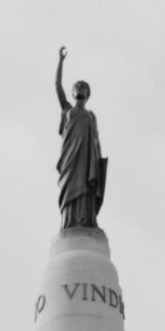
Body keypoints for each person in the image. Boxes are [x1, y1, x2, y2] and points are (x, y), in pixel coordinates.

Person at [55, 48, 107, 229]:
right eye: (77, 86)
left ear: (88, 94)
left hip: (86, 160)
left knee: (86, 187)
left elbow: (96, 141)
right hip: (70, 160)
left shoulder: (91, 116)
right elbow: (57, 85)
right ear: (72, 92)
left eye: (83, 87)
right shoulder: (68, 110)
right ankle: (69, 221)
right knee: (71, 189)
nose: (80, 88)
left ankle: (86, 221)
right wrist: (60, 61)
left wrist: (99, 167)